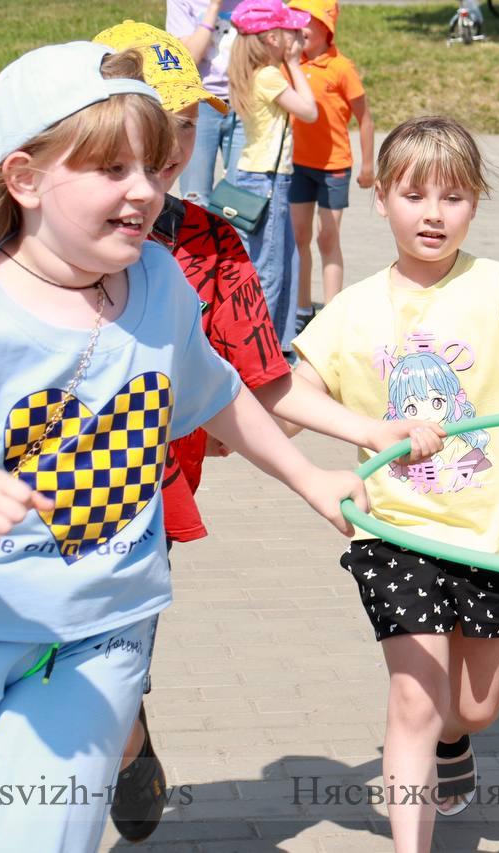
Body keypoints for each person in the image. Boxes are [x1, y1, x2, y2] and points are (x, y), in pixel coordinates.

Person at [0, 41, 369, 852]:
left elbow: (215, 390)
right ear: (25, 179)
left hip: (95, 640)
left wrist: (310, 477)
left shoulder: (157, 281)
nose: (145, 192)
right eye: (112, 170)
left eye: (154, 167)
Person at [90, 21, 442, 843]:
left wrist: (365, 426)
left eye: (183, 124)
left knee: (110, 673)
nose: (170, 147)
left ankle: (124, 734)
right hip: (22, 507)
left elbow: (258, 381)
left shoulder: (208, 243)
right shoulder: (10, 240)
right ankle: (110, 736)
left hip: (143, 498)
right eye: (147, 123)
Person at [292, 115, 499, 850]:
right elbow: (292, 394)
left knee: (473, 703)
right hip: (396, 531)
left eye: (454, 196)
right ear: (380, 199)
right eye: (413, 193)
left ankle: (455, 739)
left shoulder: (498, 286)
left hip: (495, 536)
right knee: (413, 698)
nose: (432, 213)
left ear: (474, 204)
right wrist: (271, 441)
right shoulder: (351, 310)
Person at [227, 0, 318, 359]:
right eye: (290, 31)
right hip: (266, 179)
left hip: (260, 176)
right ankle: (257, 352)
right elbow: (309, 111)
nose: (297, 37)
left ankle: (278, 347)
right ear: (271, 37)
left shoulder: (255, 71)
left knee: (285, 261)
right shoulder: (269, 75)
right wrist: (294, 63)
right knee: (270, 269)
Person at [286, 0, 375, 332]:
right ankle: (302, 308)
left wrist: (368, 166)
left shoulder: (341, 68)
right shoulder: (290, 65)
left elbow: (365, 119)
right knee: (299, 236)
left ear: (328, 28)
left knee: (327, 238)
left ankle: (334, 314)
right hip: (297, 166)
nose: (302, 27)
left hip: (334, 167)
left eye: (310, 20)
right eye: (297, 20)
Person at [165, 0, 243, 207]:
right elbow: (188, 58)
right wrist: (214, 8)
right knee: (196, 197)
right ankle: (199, 240)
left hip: (244, 103)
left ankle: (235, 240)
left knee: (241, 199)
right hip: (200, 104)